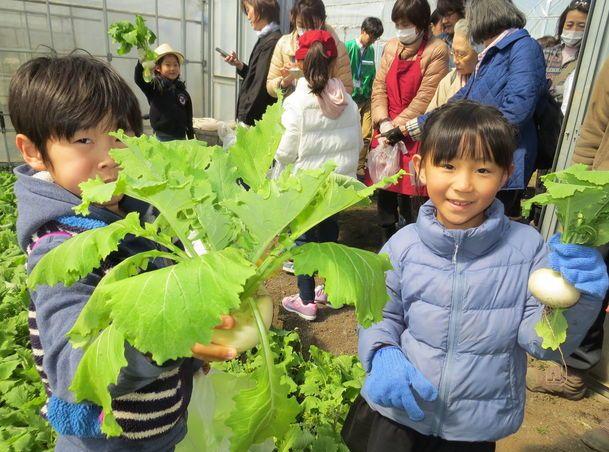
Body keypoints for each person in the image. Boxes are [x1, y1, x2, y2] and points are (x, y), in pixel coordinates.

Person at [341, 100, 608, 452]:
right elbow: (378, 315)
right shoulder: (402, 246)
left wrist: (581, 295)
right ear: (420, 168)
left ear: (506, 173)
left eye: (483, 170)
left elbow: (540, 342)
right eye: (448, 166)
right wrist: (381, 355)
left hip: (472, 427)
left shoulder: (527, 249)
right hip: (400, 411)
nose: (463, 185)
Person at [9, 55, 236, 450]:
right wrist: (168, 338)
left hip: (161, 423)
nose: (109, 156)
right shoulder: (59, 246)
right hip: (105, 440)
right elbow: (71, 365)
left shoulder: (141, 212)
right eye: (84, 140)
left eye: (120, 135)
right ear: (32, 151)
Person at [395, 0, 546, 216]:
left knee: (490, 221)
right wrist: (414, 126)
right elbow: (461, 101)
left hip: (502, 157)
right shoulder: (492, 52)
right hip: (478, 155)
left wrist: (472, 137)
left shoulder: (523, 47)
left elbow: (518, 109)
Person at [528, 57, 609, 452]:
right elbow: (594, 131)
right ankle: (574, 371)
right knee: (584, 283)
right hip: (601, 199)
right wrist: (575, 198)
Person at [276, 30, 362, 321]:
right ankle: (327, 288)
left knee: (302, 243)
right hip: (335, 189)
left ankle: (306, 300)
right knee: (328, 238)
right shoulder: (348, 102)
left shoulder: (297, 104)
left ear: (300, 63)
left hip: (305, 188)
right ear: (335, 63)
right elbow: (356, 146)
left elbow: (285, 152)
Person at [369, 0, 449, 242]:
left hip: (414, 132)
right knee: (384, 189)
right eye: (397, 24)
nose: (401, 29)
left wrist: (398, 127)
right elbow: (379, 85)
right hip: (386, 129)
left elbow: (425, 97)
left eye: (406, 25)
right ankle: (387, 235)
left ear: (421, 24)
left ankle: (413, 238)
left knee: (411, 191)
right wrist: (382, 120)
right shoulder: (391, 47)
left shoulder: (437, 50)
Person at [266, 0, 353, 98]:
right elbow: (270, 87)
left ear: (323, 21)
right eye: (302, 25)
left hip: (323, 111)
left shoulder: (337, 48)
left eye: (313, 26)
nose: (307, 31)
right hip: (292, 110)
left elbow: (347, 89)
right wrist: (285, 82)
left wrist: (314, 78)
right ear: (293, 18)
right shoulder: (284, 44)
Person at [223, 0, 282, 126]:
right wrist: (240, 65)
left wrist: (244, 118)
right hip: (256, 116)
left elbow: (259, 85)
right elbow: (255, 75)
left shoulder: (271, 42)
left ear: (261, 9)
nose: (248, 16)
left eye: (248, 10)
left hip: (256, 119)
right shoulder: (266, 39)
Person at [345, 17, 384, 179]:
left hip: (366, 97)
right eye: (371, 36)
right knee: (349, 134)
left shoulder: (371, 50)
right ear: (363, 31)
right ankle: (347, 166)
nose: (373, 40)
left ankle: (360, 169)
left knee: (366, 133)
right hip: (350, 99)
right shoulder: (348, 48)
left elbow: (372, 73)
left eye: (376, 38)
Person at [134, 43, 194, 141]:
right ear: (158, 68)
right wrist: (141, 63)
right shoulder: (154, 87)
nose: (172, 68)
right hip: (162, 137)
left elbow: (188, 117)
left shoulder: (183, 92)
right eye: (168, 65)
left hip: (181, 138)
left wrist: (191, 137)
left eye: (176, 65)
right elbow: (139, 80)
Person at [543, 0, 590, 106]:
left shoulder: (588, 60)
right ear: (562, 26)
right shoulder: (546, 54)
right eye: (569, 25)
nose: (574, 30)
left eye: (581, 26)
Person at [426, 19, 476, 111]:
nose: (455, 60)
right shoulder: (449, 80)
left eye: (461, 54)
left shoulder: (493, 81)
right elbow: (431, 116)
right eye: (453, 52)